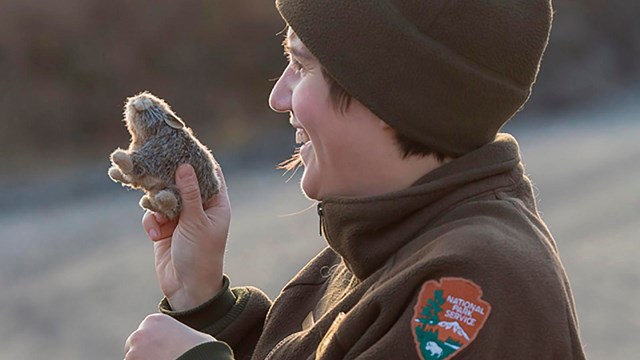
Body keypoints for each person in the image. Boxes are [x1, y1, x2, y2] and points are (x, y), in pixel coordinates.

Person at [124, 0, 587, 359]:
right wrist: (204, 303)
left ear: (388, 97)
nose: (277, 96)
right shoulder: (396, 237)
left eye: (301, 66)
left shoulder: (475, 283)